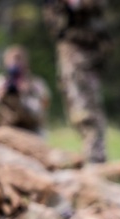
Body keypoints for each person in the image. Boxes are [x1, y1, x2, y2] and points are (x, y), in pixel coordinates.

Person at [43, 0, 110, 163]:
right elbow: (54, 23)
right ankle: (92, 156)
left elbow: (96, 7)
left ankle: (95, 159)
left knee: (87, 110)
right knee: (77, 108)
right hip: (70, 54)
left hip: (84, 55)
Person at [0, 45, 52, 134]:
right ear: (5, 61)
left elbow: (43, 108)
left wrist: (28, 92)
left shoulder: (36, 84)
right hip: (4, 129)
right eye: (11, 58)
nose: (15, 62)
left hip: (31, 130)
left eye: (19, 58)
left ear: (26, 61)